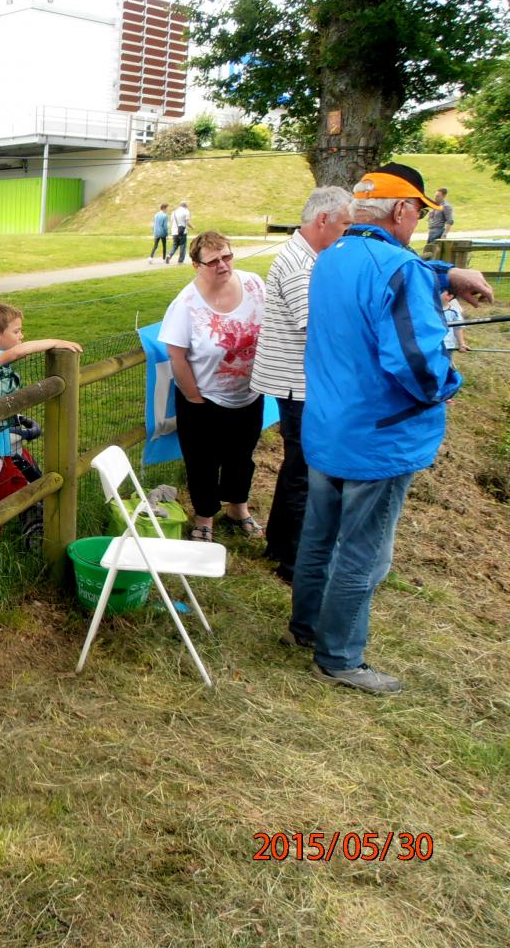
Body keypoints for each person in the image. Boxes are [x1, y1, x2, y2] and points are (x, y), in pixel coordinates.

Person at [290, 163, 487, 694]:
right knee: (362, 552)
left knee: (319, 537)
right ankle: (339, 658)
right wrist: (449, 384)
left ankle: (306, 628)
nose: (420, 220)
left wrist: (445, 275)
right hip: (379, 438)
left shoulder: (330, 257)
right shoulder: (399, 270)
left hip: (329, 427)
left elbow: (393, 269)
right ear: (402, 210)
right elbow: (416, 364)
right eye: (419, 211)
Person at [249, 186, 354, 586]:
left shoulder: (312, 257)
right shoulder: (299, 264)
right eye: (345, 223)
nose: (347, 232)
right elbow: (316, 327)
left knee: (298, 467)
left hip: (300, 382)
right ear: (323, 220)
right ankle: (291, 561)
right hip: (298, 385)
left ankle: (280, 544)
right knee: (305, 472)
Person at [158, 230, 266, 543]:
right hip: (203, 397)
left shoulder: (253, 284)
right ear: (197, 265)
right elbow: (176, 355)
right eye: (213, 260)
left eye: (227, 256)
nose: (223, 265)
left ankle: (238, 507)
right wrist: (194, 397)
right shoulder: (186, 304)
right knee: (202, 459)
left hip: (249, 392)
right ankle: (205, 516)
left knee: (241, 455)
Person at [0, 302, 81, 564]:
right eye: (17, 331)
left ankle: (27, 532)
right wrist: (56, 342)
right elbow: (19, 353)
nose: (21, 337)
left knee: (17, 485)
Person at [441, 291, 469, 357]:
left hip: (447, 346)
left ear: (449, 296)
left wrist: (461, 344)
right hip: (430, 344)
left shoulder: (454, 311)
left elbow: (458, 329)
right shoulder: (429, 309)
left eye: (440, 291)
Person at [168, 200, 193, 264]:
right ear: (185, 206)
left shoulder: (173, 212)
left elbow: (171, 222)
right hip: (182, 232)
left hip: (174, 231)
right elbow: (187, 222)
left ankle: (169, 255)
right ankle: (180, 260)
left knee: (175, 244)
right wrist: (192, 227)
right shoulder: (186, 211)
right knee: (183, 246)